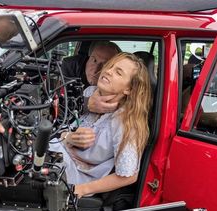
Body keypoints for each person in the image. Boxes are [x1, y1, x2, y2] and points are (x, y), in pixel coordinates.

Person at [50, 52, 151, 198]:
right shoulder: (90, 92)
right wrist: (68, 137)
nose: (108, 71)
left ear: (128, 89)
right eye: (111, 66)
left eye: (118, 72)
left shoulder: (126, 121)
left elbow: (129, 176)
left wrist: (82, 189)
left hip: (74, 176)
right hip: (57, 155)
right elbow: (60, 126)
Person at [62, 41, 121, 114]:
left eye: (105, 65)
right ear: (88, 58)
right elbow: (59, 101)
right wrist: (87, 103)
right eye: (94, 60)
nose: (96, 70)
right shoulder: (70, 67)